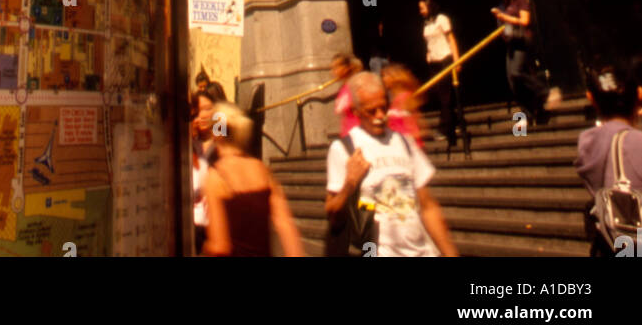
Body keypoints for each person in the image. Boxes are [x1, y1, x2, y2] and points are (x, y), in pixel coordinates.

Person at [325, 72, 459, 257]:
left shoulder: (404, 142)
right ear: (356, 111)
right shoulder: (344, 149)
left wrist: (450, 253)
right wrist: (350, 183)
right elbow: (333, 214)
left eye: (383, 108)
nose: (380, 116)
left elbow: (428, 206)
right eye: (371, 110)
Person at [203, 101, 304, 257]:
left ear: (216, 135)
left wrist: (205, 247)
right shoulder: (262, 170)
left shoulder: (216, 176)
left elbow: (220, 247)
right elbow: (285, 225)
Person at [575, 59, 642, 257]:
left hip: (613, 246)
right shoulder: (637, 143)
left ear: (591, 99)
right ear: (639, 95)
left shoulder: (587, 143)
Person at [491, 0, 549, 124]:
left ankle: (544, 91)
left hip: (522, 41)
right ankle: (528, 113)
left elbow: (525, 21)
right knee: (512, 81)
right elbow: (503, 26)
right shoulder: (503, 5)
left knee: (517, 73)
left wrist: (504, 17)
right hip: (511, 44)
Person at [419, 0, 459, 149]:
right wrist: (428, 53)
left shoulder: (442, 19)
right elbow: (429, 42)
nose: (421, 11)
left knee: (445, 95)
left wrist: (456, 60)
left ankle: (447, 129)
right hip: (434, 61)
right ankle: (453, 121)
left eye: (423, 8)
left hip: (445, 58)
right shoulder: (426, 23)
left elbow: (451, 39)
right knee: (438, 92)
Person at [382, 65, 424, 146]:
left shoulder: (404, 97)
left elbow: (414, 124)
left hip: (409, 145)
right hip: (399, 143)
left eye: (385, 76)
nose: (383, 79)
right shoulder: (395, 99)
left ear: (394, 78)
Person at [190, 91, 210, 253]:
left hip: (210, 220)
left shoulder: (218, 140)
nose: (201, 115)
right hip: (195, 223)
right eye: (198, 111)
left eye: (207, 108)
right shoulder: (192, 143)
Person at [331, 53, 362, 137]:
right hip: (347, 134)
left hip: (359, 133)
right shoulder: (343, 89)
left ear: (346, 68)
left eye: (336, 67)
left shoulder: (356, 85)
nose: (333, 72)